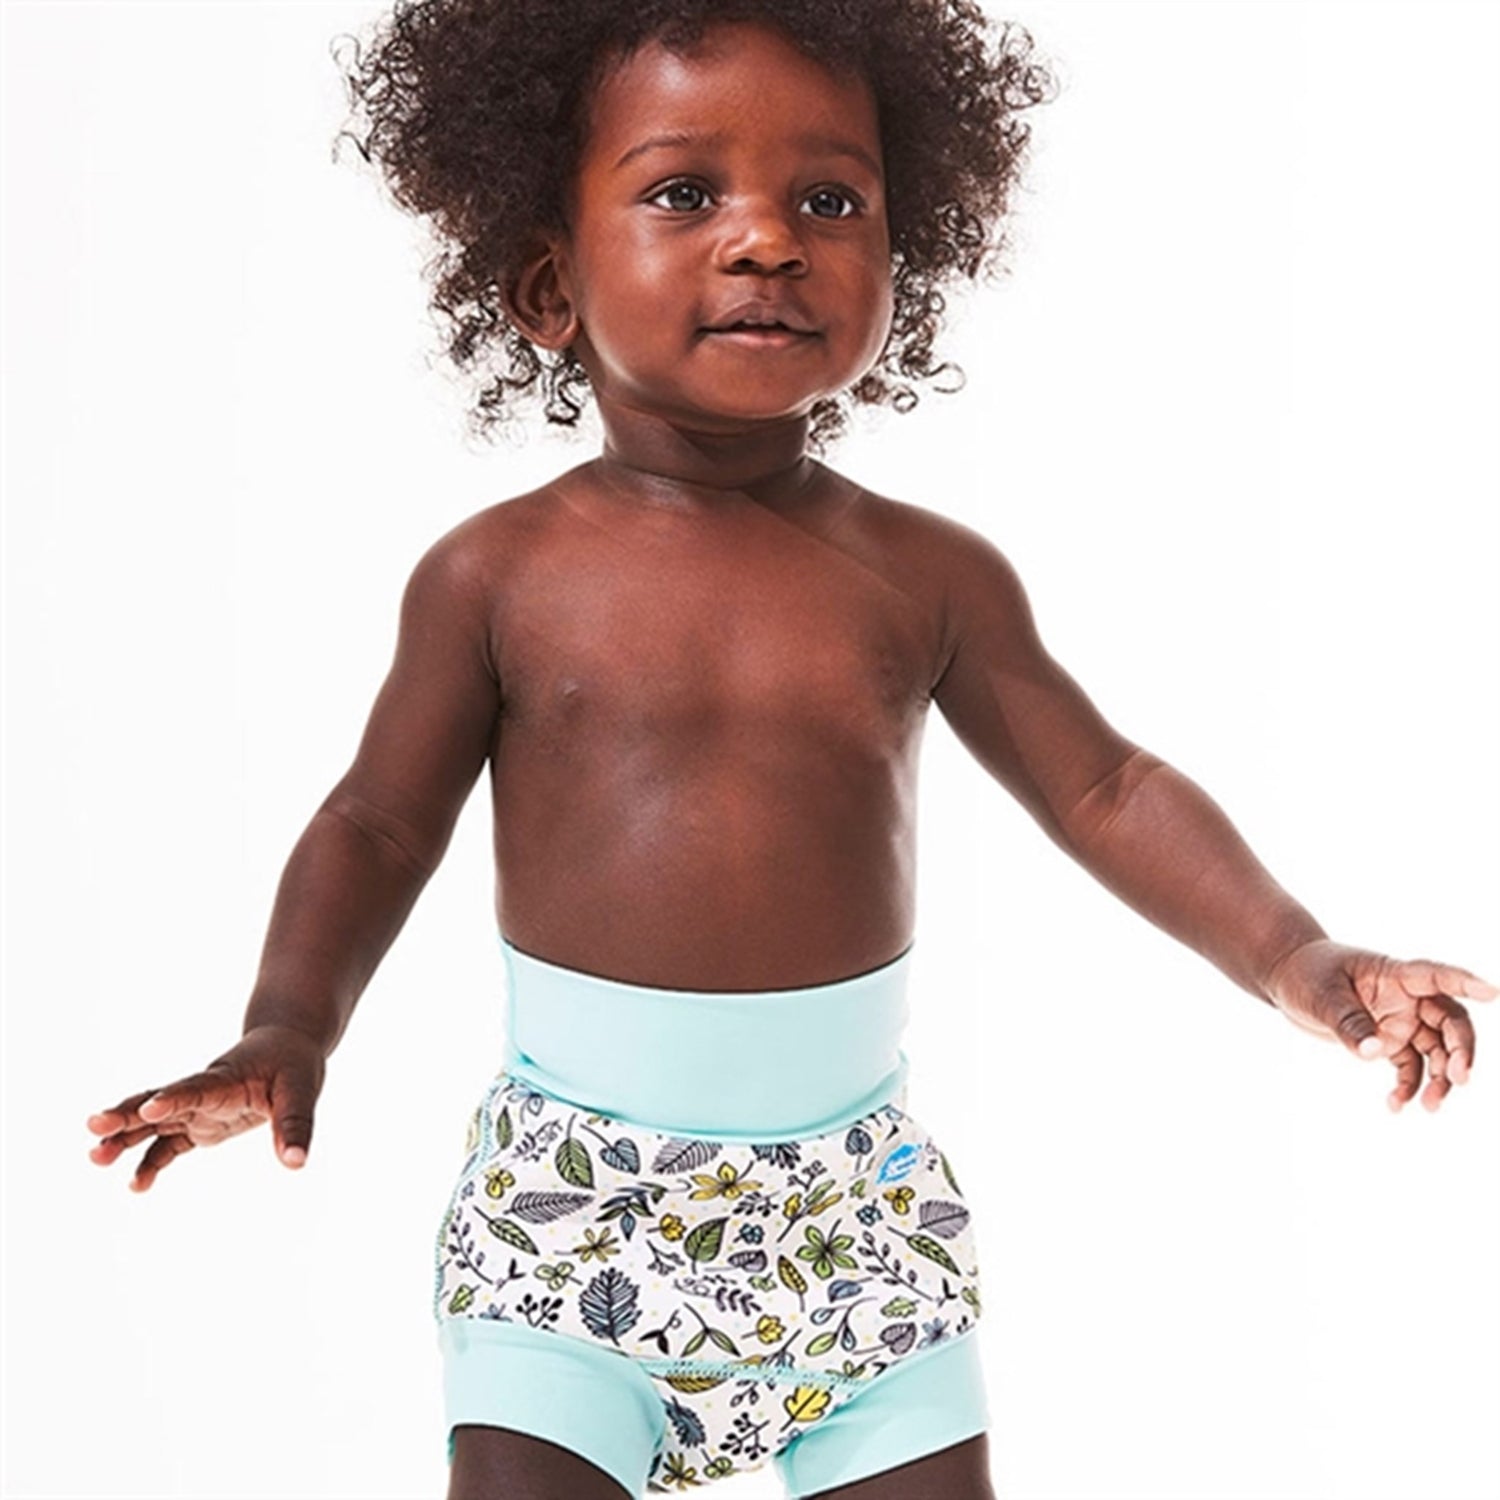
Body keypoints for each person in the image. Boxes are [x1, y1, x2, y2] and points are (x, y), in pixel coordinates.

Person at [83, 3, 1495, 1497]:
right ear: (551, 284)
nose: (767, 241)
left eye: (829, 200)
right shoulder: (496, 577)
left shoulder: (929, 577)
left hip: (854, 1223)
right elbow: (377, 823)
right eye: (685, 192)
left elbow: (1106, 788)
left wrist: (1297, 958)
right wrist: (288, 1027)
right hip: (572, 1216)